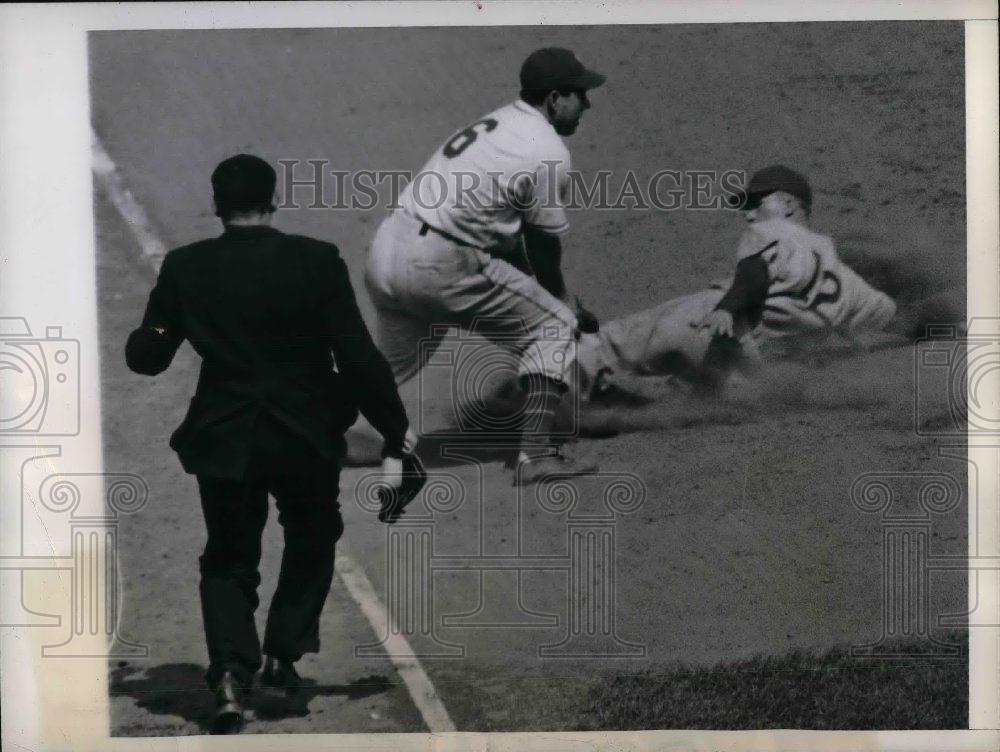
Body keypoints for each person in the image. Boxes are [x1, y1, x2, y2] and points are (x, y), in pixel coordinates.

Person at [125, 154, 414, 733]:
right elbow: (357, 356)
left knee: (230, 556)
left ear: (217, 205)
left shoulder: (185, 268)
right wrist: (395, 433)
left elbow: (147, 357)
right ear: (273, 199)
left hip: (227, 436)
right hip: (305, 433)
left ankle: (231, 673)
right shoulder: (315, 260)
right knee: (313, 534)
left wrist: (156, 325)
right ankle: (282, 653)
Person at [364, 47, 604, 485]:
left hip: (386, 251)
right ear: (554, 98)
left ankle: (297, 438)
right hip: (439, 264)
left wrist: (536, 292)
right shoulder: (547, 150)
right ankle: (536, 457)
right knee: (554, 327)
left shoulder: (498, 124)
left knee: (385, 369)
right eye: (579, 94)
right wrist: (562, 300)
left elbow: (505, 238)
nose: (586, 103)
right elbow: (544, 242)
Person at [575, 165, 898, 400]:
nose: (748, 216)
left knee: (612, 343)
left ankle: (547, 386)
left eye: (756, 204)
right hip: (753, 369)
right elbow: (892, 320)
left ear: (787, 205)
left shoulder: (774, 231)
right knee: (697, 392)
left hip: (713, 325)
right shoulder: (848, 281)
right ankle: (678, 395)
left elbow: (754, 274)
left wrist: (728, 308)